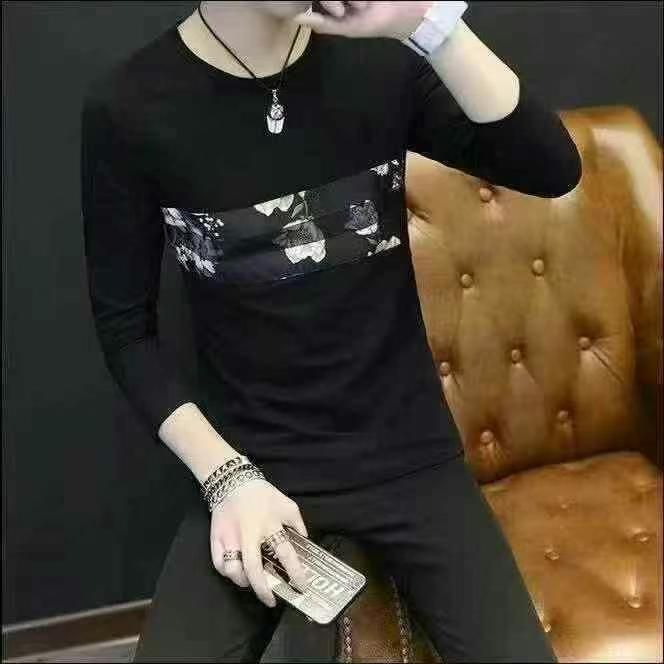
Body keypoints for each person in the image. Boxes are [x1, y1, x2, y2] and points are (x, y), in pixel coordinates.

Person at [81, 1, 581, 661]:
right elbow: (126, 332)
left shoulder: (380, 60)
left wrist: (430, 26)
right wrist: (226, 478)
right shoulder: (130, 108)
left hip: (410, 458)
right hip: (252, 462)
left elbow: (551, 167)